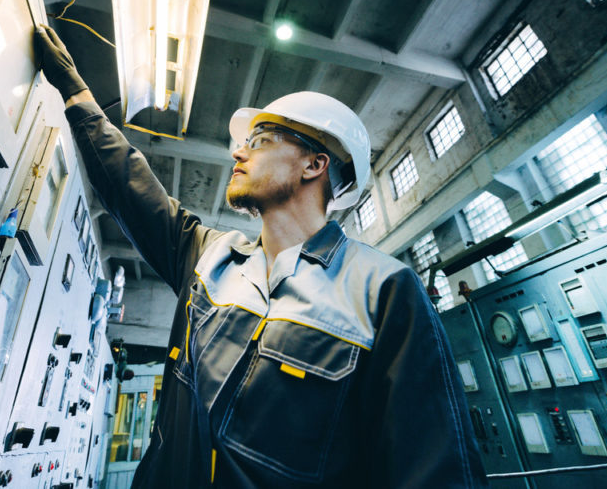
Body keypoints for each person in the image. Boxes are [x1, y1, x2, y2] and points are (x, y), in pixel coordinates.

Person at [36, 24, 487, 488]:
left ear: (315, 164)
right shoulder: (211, 256)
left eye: (260, 141)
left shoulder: (384, 293)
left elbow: (438, 472)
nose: (237, 152)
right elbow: (132, 188)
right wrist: (77, 95)